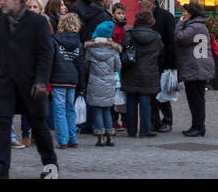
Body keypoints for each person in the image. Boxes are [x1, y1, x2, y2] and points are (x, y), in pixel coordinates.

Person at [0, 0, 58, 180]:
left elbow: (46, 53)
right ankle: (0, 167)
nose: (1, 2)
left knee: (39, 128)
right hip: (5, 84)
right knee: (2, 125)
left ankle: (50, 166)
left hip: (31, 84)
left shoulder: (37, 22)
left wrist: (41, 80)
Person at [120, 8, 163, 137]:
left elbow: (123, 50)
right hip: (149, 72)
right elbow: (160, 51)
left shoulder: (130, 34)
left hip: (131, 70)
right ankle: (145, 130)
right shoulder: (156, 37)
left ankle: (131, 130)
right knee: (145, 101)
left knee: (131, 101)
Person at [174, 0, 215, 137]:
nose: (183, 13)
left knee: (196, 99)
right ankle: (196, 125)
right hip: (197, 66)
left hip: (196, 67)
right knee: (195, 98)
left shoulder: (195, 26)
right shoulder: (199, 25)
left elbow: (179, 38)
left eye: (185, 11)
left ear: (191, 13)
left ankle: (198, 127)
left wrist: (180, 23)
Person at [138, 0, 176, 132]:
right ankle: (154, 121)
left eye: (141, 0)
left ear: (150, 1)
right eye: (138, 0)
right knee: (150, 93)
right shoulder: (140, 16)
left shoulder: (165, 16)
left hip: (162, 60)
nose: (139, 2)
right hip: (147, 62)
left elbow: (172, 42)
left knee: (163, 93)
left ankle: (167, 120)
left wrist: (172, 64)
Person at [85, 19, 122, 147]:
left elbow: (87, 65)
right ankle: (110, 137)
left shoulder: (90, 49)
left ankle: (100, 137)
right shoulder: (114, 50)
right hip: (109, 83)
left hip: (95, 82)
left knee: (97, 110)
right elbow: (117, 67)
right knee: (107, 110)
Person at [52, 12, 85, 148]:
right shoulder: (78, 43)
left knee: (59, 110)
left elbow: (50, 59)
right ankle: (72, 138)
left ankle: (63, 140)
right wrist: (82, 86)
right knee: (70, 109)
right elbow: (81, 66)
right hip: (72, 79)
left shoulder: (55, 40)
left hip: (58, 78)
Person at [19, 0, 46, 145]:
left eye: (35, 7)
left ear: (41, 10)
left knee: (38, 104)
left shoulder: (44, 25)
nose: (32, 10)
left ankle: (37, 133)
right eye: (30, 7)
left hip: (40, 70)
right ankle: (25, 134)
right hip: (25, 70)